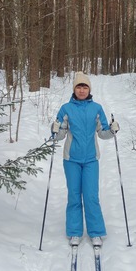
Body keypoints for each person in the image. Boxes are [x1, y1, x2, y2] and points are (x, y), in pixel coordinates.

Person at [51, 72, 119, 247]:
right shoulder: (66, 108)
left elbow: (102, 132)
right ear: (74, 89)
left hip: (91, 160)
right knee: (74, 195)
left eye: (85, 87)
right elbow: (59, 135)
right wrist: (55, 130)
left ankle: (96, 232)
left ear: (89, 89)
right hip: (71, 159)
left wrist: (112, 130)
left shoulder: (96, 108)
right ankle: (75, 232)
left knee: (91, 196)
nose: (82, 90)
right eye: (79, 87)